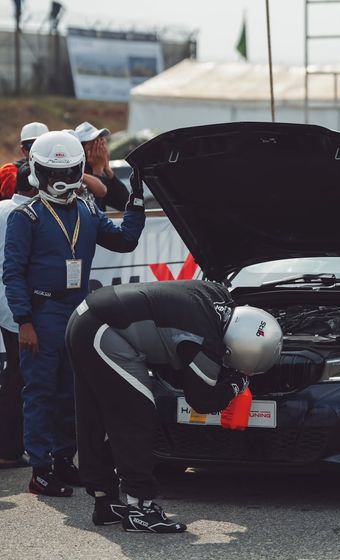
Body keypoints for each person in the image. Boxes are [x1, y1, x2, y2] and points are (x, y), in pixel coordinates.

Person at [65, 279, 283, 533]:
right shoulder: (207, 341)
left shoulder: (219, 296)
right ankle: (141, 509)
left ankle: (105, 502)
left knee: (96, 414)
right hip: (106, 332)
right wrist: (239, 382)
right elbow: (202, 401)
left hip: (85, 315)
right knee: (136, 419)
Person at [3, 130, 145, 497]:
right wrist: (24, 321)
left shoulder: (86, 209)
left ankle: (64, 460)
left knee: (71, 392)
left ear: (79, 170)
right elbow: (13, 272)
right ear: (38, 172)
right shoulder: (26, 216)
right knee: (40, 392)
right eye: (53, 175)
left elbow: (124, 239)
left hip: (78, 312)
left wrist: (136, 203)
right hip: (43, 312)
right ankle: (40, 468)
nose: (60, 182)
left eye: (67, 173)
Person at [0, 163, 38, 468]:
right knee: (18, 377)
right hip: (15, 306)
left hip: (8, 305)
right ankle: (9, 448)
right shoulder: (33, 214)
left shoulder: (4, 208)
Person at [74, 121, 129, 211]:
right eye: (94, 144)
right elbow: (93, 211)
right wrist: (97, 171)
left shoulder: (103, 175)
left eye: (101, 142)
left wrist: (107, 169)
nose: (100, 148)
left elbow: (125, 204)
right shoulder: (75, 177)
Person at [0, 122, 49, 200]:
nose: (34, 150)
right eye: (30, 146)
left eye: (41, 145)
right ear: (23, 149)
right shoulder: (8, 172)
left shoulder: (62, 169)